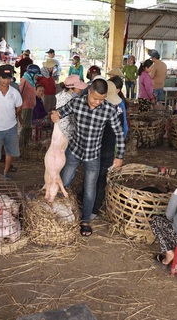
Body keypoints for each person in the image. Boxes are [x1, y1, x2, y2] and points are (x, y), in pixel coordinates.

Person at [50, 79, 125, 236]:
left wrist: (119, 156)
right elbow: (60, 111)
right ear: (89, 91)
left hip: (93, 155)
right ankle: (55, 211)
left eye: (102, 99)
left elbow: (119, 133)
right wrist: (55, 115)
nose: (98, 102)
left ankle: (85, 221)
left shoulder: (109, 110)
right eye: (95, 98)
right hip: (75, 151)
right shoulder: (77, 103)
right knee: (64, 181)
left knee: (90, 189)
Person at [93, 79, 128, 216]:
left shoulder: (102, 107)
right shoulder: (118, 106)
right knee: (100, 177)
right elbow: (122, 131)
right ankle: (93, 206)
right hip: (108, 146)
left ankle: (93, 208)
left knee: (97, 177)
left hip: (100, 147)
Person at [55, 75, 87, 139]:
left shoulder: (71, 97)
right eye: (79, 88)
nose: (81, 90)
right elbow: (64, 125)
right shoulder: (64, 101)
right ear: (71, 89)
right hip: (66, 138)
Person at [19, 64, 41, 146]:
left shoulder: (31, 81)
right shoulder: (25, 80)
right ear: (32, 74)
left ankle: (26, 143)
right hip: (25, 106)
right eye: (36, 75)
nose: (37, 77)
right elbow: (20, 93)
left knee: (28, 126)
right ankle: (22, 144)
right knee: (25, 126)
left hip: (30, 106)